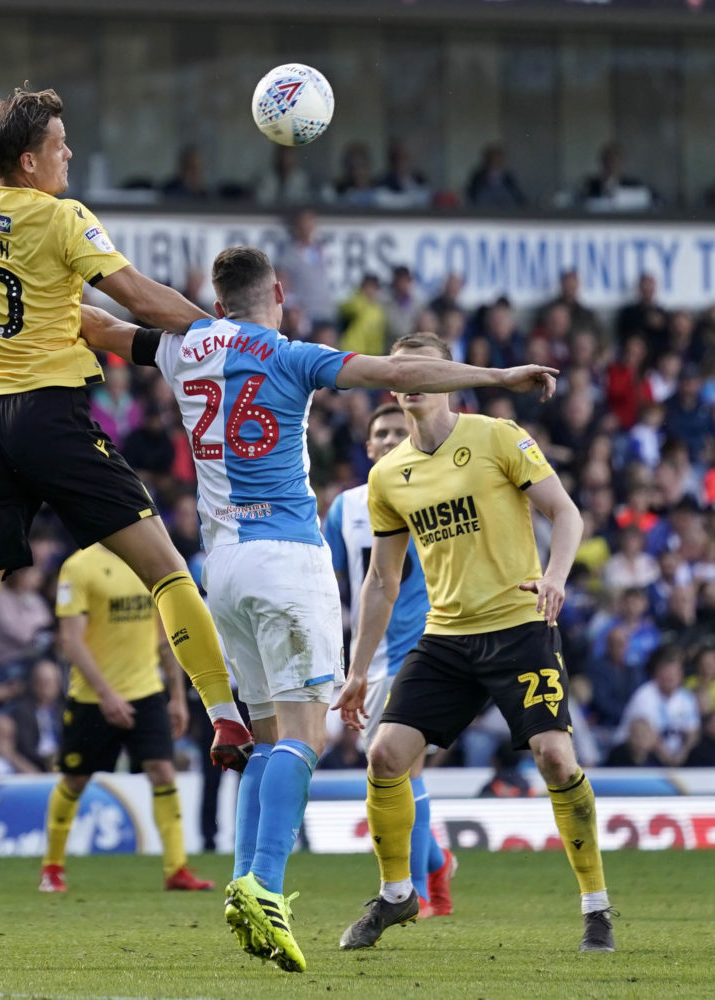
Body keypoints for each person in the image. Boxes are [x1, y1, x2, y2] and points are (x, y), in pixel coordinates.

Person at [79, 245, 558, 972]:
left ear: (217, 303)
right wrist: (497, 377)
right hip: (286, 558)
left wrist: (14, 296)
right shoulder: (293, 355)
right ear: (278, 292)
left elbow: (99, 326)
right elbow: (398, 373)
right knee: (306, 736)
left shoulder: (182, 348)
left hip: (221, 565)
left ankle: (245, 881)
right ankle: (265, 887)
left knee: (266, 737)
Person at [0, 86, 252, 884]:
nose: (69, 154)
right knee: (166, 570)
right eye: (59, 144)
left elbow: (74, 316)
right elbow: (137, 298)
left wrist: (145, 345)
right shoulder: (63, 217)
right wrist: (227, 333)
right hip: (49, 417)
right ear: (29, 160)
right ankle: (226, 716)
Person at [333, 331, 615, 955]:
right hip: (446, 637)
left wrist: (555, 577)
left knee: (555, 758)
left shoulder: (497, 437)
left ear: (449, 378)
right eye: (400, 371)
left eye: (423, 369)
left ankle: (596, 907)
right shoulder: (388, 475)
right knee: (384, 756)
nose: (410, 381)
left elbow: (567, 513)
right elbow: (381, 580)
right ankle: (397, 894)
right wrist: (357, 670)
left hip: (518, 626)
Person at [322, 402, 454, 918]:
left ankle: (415, 889)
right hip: (368, 655)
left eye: (400, 430)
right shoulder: (346, 507)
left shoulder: (438, 492)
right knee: (389, 775)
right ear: (369, 445)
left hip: (422, 647)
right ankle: (438, 864)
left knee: (403, 769)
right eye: (382, 433)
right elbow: (331, 581)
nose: (391, 438)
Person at [39, 543, 213, 893]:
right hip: (92, 697)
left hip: (146, 690)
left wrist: (177, 696)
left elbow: (165, 637)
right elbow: (71, 640)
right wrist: (106, 695)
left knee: (163, 771)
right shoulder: (79, 566)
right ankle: (52, 868)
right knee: (75, 779)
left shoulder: (146, 557)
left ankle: (176, 868)